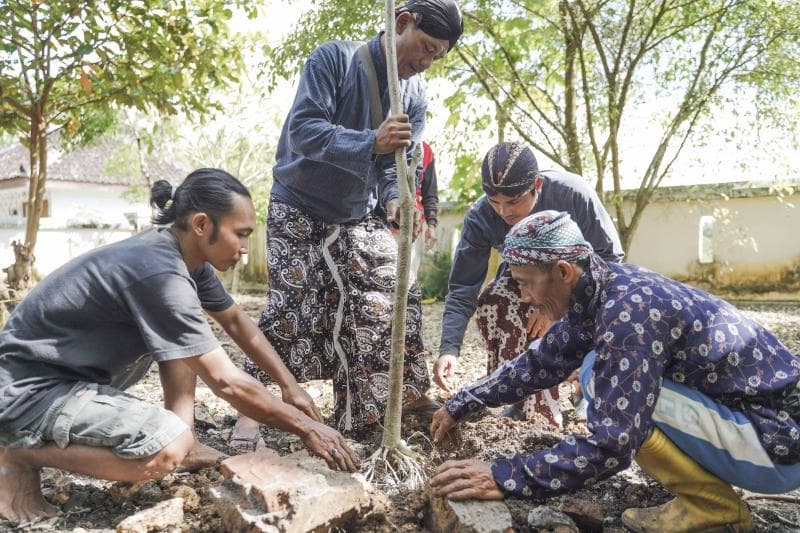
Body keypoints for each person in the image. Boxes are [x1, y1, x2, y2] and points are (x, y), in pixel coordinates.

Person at [0, 169, 357, 525]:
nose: (246, 248)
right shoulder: (160, 274)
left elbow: (236, 322)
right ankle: (18, 456)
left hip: (62, 376)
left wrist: (290, 387)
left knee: (186, 342)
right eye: (241, 234)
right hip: (27, 391)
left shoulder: (184, 257)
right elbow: (226, 382)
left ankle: (187, 437)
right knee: (165, 449)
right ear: (202, 224)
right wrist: (306, 427)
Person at [429, 210, 800, 532]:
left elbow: (612, 443)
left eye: (525, 282)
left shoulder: (628, 316)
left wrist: (505, 476)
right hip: (762, 428)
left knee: (602, 381)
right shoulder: (604, 290)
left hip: (776, 447)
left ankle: (713, 507)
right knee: (601, 372)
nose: (524, 297)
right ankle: (714, 499)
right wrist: (462, 402)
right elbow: (541, 361)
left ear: (562, 271)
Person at [233, 0, 464, 445]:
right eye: (426, 47)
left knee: (393, 293)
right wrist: (370, 141)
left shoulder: (415, 96)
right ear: (402, 23)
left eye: (438, 56)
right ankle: (254, 410)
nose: (427, 62)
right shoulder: (334, 60)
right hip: (299, 204)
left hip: (359, 214)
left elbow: (399, 164)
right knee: (290, 308)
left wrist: (398, 198)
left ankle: (391, 400)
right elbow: (304, 131)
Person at [433, 141, 624, 426]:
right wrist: (449, 348)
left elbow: (611, 261)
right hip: (529, 282)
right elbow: (463, 287)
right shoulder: (481, 216)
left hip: (580, 284)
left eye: (513, 202)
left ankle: (589, 386)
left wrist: (557, 311)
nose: (504, 212)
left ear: (537, 184)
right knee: (496, 300)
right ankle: (522, 399)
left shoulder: (572, 193)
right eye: (494, 202)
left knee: (602, 308)